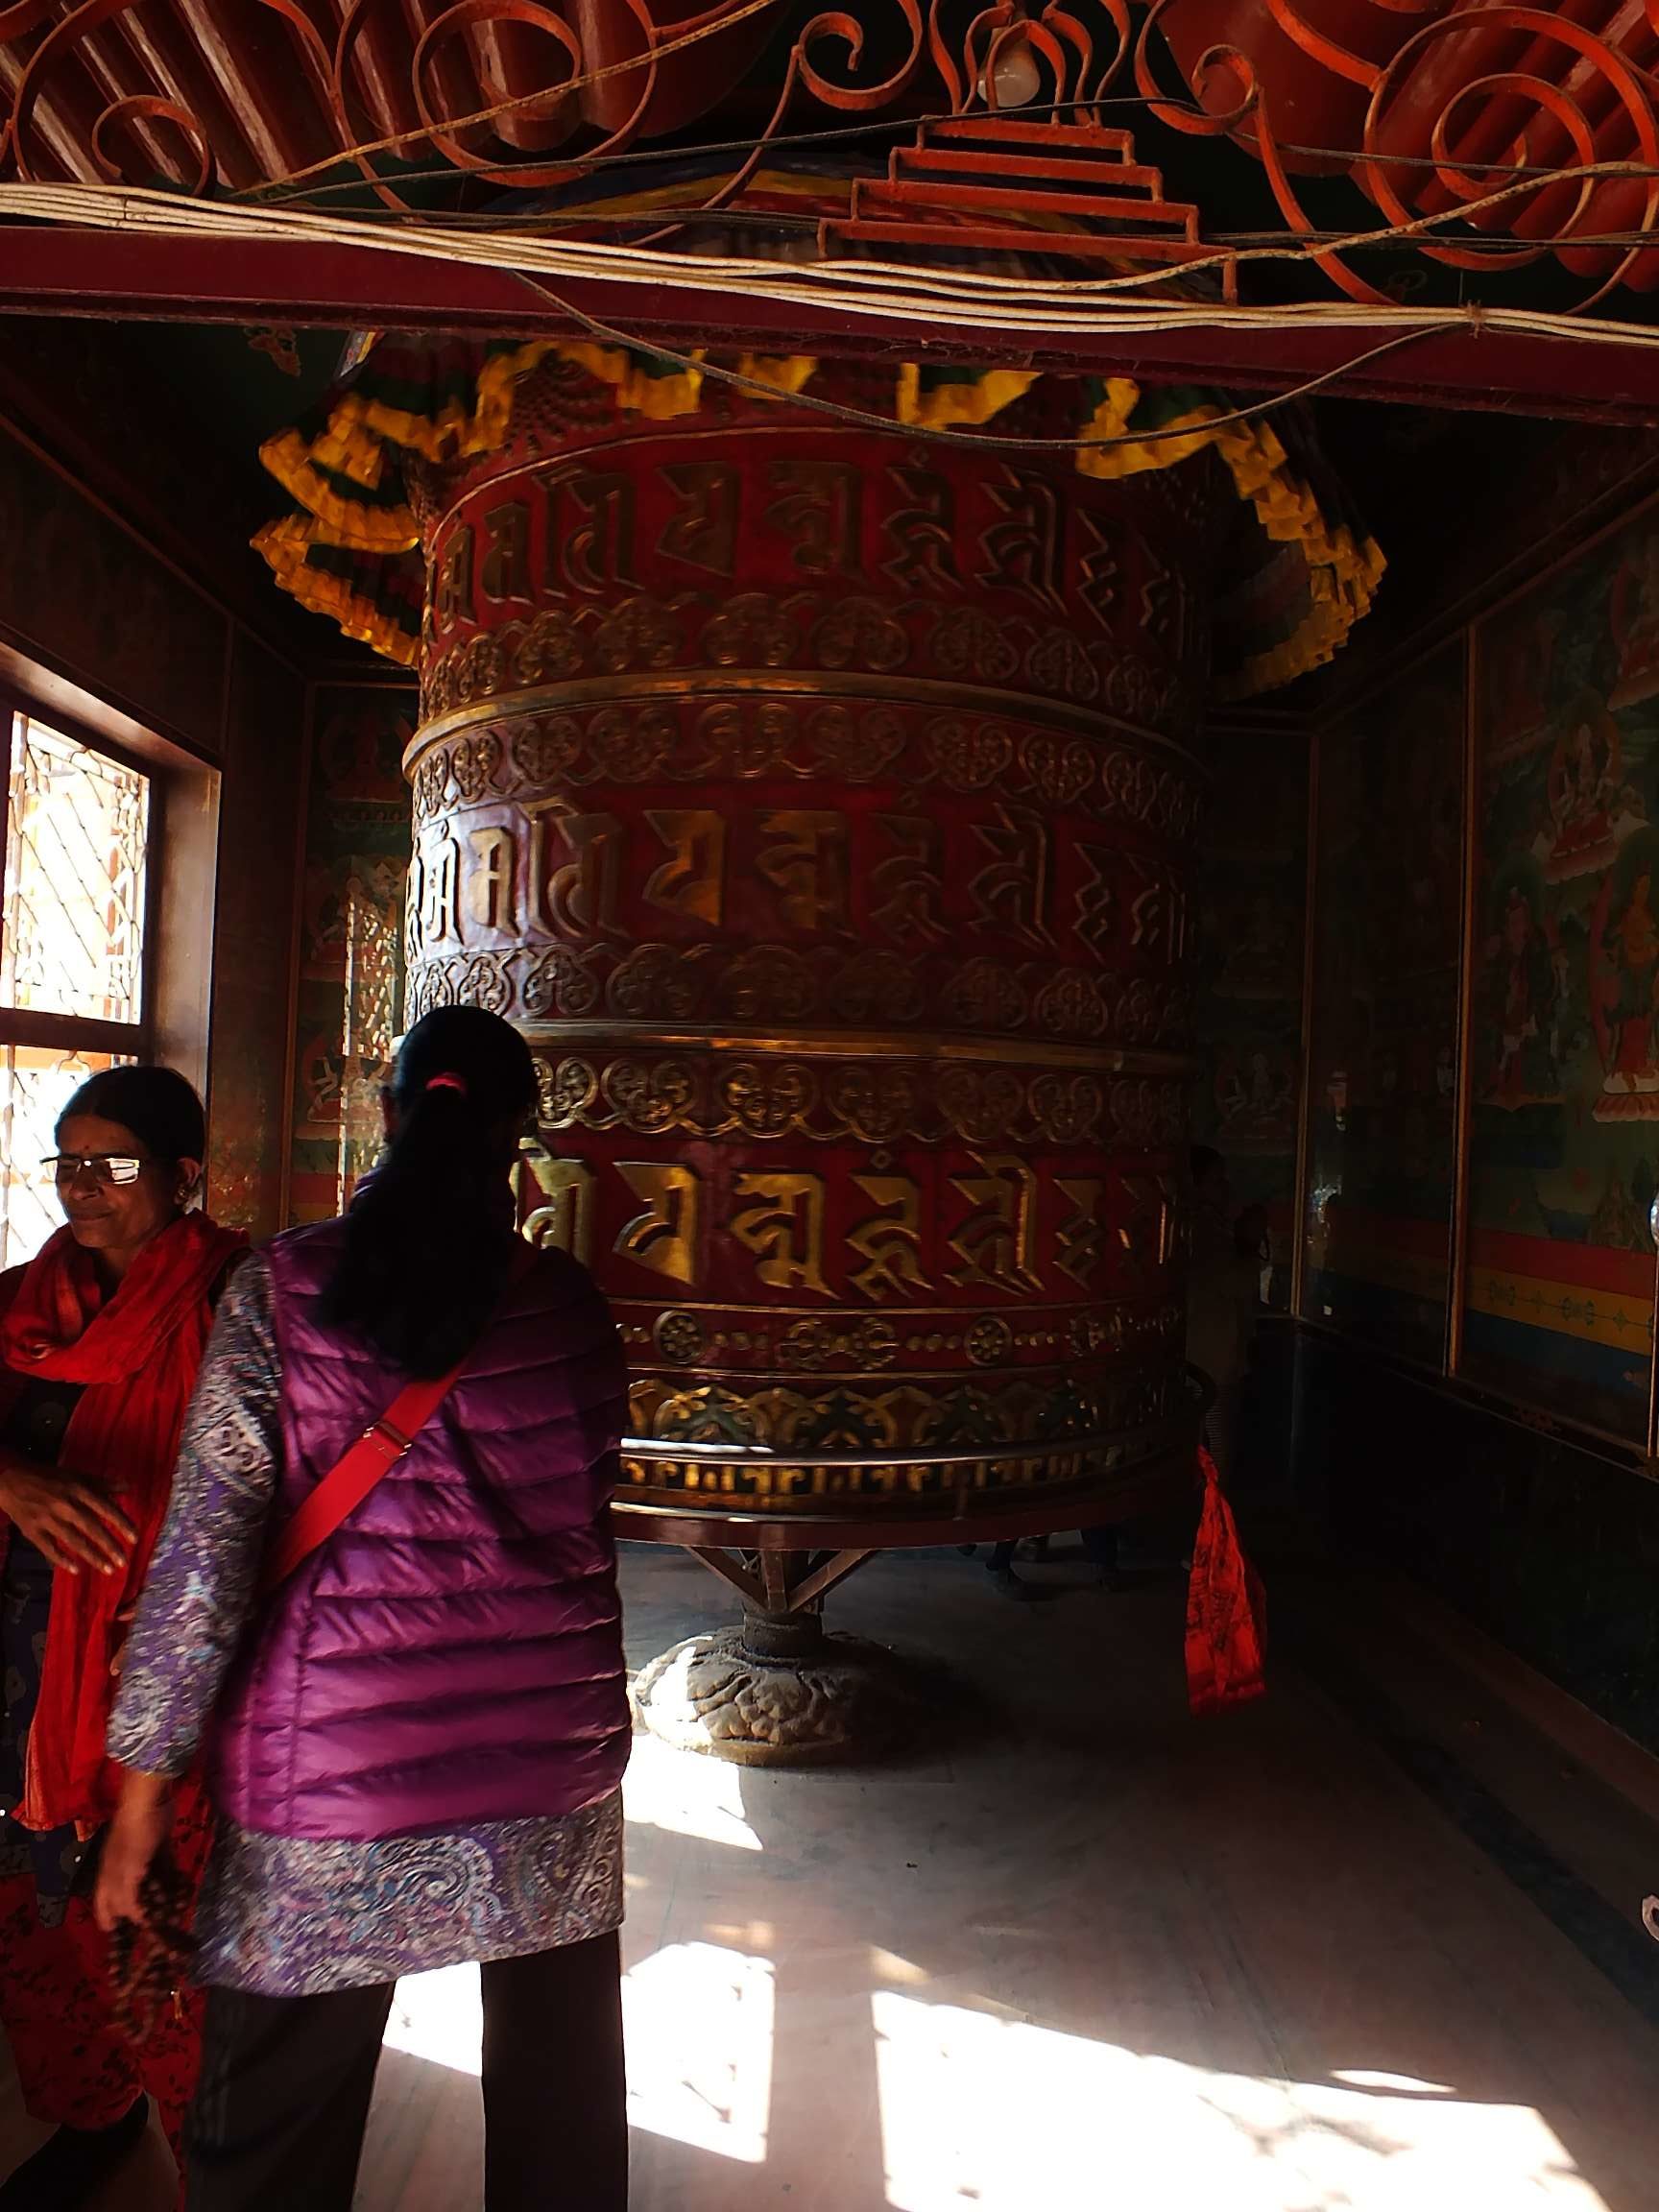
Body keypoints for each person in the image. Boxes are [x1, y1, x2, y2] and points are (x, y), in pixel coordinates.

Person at [95, 1006, 633, 2212]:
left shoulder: (281, 1291)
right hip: (549, 1770)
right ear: (519, 1138)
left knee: (270, 2146)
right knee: (564, 2124)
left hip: (329, 1779)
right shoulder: (574, 1309)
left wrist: (142, 1790)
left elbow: (202, 1566)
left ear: (385, 1115)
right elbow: (586, 1513)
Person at [0, 1065, 244, 2209]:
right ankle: (94, 2123)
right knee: (39, 1931)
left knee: (167, 1940)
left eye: (116, 1163)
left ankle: (223, 2171)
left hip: (177, 1686)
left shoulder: (247, 1304)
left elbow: (297, 1490)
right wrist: (12, 1483)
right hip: (25, 1681)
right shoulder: (17, 1307)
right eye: (69, 1162)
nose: (85, 1187)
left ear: (186, 1176)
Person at [1188, 1145, 1262, 1481]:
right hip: (1210, 1359)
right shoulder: (1204, 1230)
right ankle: (1212, 1518)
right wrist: (1247, 1241)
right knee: (1216, 1445)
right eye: (1217, 1181)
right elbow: (1235, 1282)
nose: (1226, 1188)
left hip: (1208, 1354)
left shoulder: (1208, 1226)